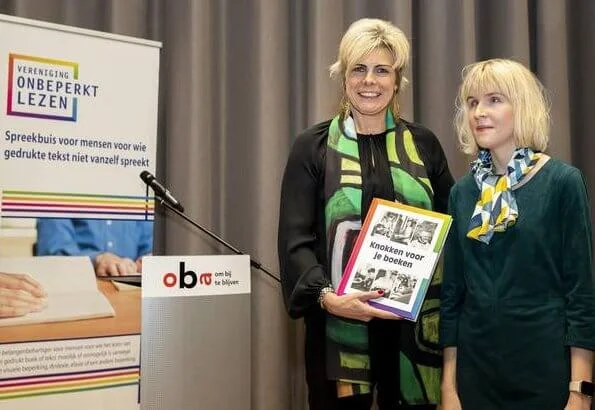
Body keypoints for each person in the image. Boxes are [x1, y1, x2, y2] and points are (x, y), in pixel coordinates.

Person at [278, 18, 454, 410]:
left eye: (381, 70)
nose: (369, 81)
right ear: (343, 78)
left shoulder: (423, 144)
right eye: (359, 69)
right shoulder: (313, 146)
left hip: (414, 331)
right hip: (336, 328)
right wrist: (326, 298)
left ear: (397, 80)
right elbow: (295, 241)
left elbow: (450, 228)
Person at [440, 59, 595, 410]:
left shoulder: (562, 182)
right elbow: (453, 298)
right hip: (475, 378)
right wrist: (449, 388)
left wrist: (580, 390)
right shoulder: (462, 192)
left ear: (522, 107)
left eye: (494, 100)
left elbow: (581, 296)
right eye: (472, 102)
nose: (479, 112)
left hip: (546, 375)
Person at [36, 219, 153, 276]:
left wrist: (148, 259)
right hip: (80, 291)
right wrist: (97, 260)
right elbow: (54, 252)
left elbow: (149, 245)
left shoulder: (136, 194)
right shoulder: (59, 190)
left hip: (132, 293)